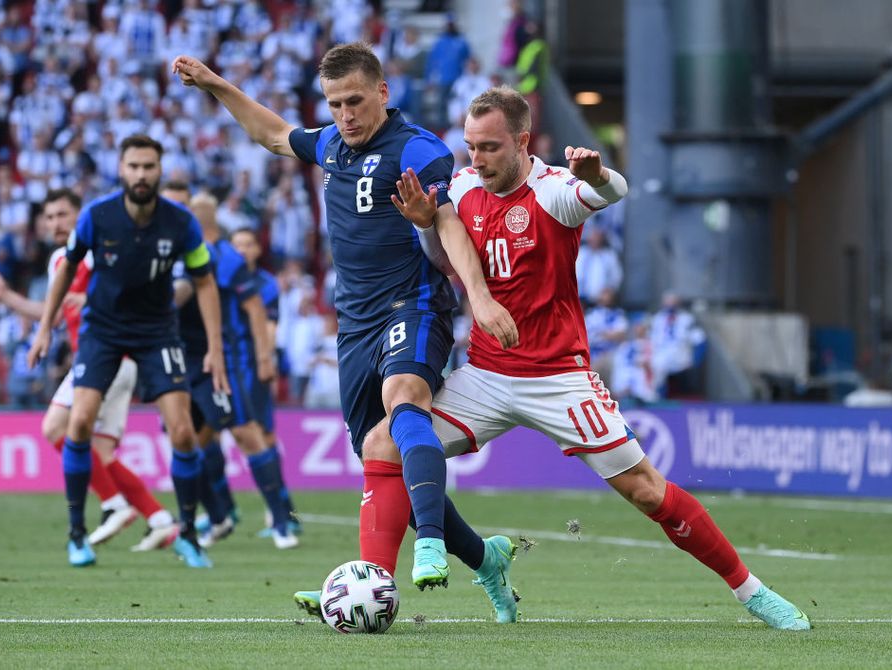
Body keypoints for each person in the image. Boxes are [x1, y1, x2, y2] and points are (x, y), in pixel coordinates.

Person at [318, 86, 811, 631]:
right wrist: (422, 222)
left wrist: (598, 174)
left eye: (489, 148)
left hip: (558, 378)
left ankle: (753, 592)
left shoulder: (552, 190)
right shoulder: (459, 187)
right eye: (471, 147)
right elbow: (442, 257)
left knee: (646, 491)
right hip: (486, 375)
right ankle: (375, 584)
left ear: (523, 142)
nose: (476, 160)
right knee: (386, 442)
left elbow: (610, 192)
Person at [173, 43, 518, 591]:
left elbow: (448, 223)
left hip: (415, 304)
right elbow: (272, 134)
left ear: (383, 92)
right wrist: (216, 84)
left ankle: (421, 547)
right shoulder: (332, 144)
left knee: (405, 397)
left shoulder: (417, 150)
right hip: (355, 324)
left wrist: (478, 297)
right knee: (379, 456)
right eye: (334, 104)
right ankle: (484, 559)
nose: (344, 115)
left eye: (354, 101)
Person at [27, 135, 228, 569]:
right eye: (134, 166)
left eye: (149, 167)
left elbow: (204, 282)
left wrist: (215, 348)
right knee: (78, 423)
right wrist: (44, 327)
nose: (141, 174)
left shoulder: (181, 223)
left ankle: (188, 535)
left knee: (182, 433)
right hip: (104, 330)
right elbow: (65, 268)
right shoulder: (97, 217)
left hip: (158, 332)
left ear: (160, 170)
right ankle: (77, 534)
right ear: (122, 170)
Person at [0, 188, 178, 552]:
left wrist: (96, 300)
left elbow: (133, 293)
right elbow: (53, 311)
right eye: (49, 217)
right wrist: (4, 295)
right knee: (98, 455)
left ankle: (114, 504)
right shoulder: (60, 260)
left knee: (54, 427)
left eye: (62, 215)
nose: (55, 223)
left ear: (79, 215)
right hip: (112, 363)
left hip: (108, 357)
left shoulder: (101, 250)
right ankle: (159, 518)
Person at [167, 188, 296, 550]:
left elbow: (255, 309)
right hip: (190, 360)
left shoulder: (224, 257)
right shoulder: (184, 254)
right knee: (197, 439)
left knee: (245, 433)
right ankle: (221, 514)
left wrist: (264, 358)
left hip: (228, 359)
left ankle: (281, 521)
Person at [229, 226, 302, 535]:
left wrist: (265, 360)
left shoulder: (264, 284)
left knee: (262, 435)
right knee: (253, 435)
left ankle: (282, 512)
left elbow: (269, 327)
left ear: (258, 250)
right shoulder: (226, 278)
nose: (243, 250)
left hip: (251, 366)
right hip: (232, 364)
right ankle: (280, 511)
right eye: (237, 245)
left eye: (248, 244)